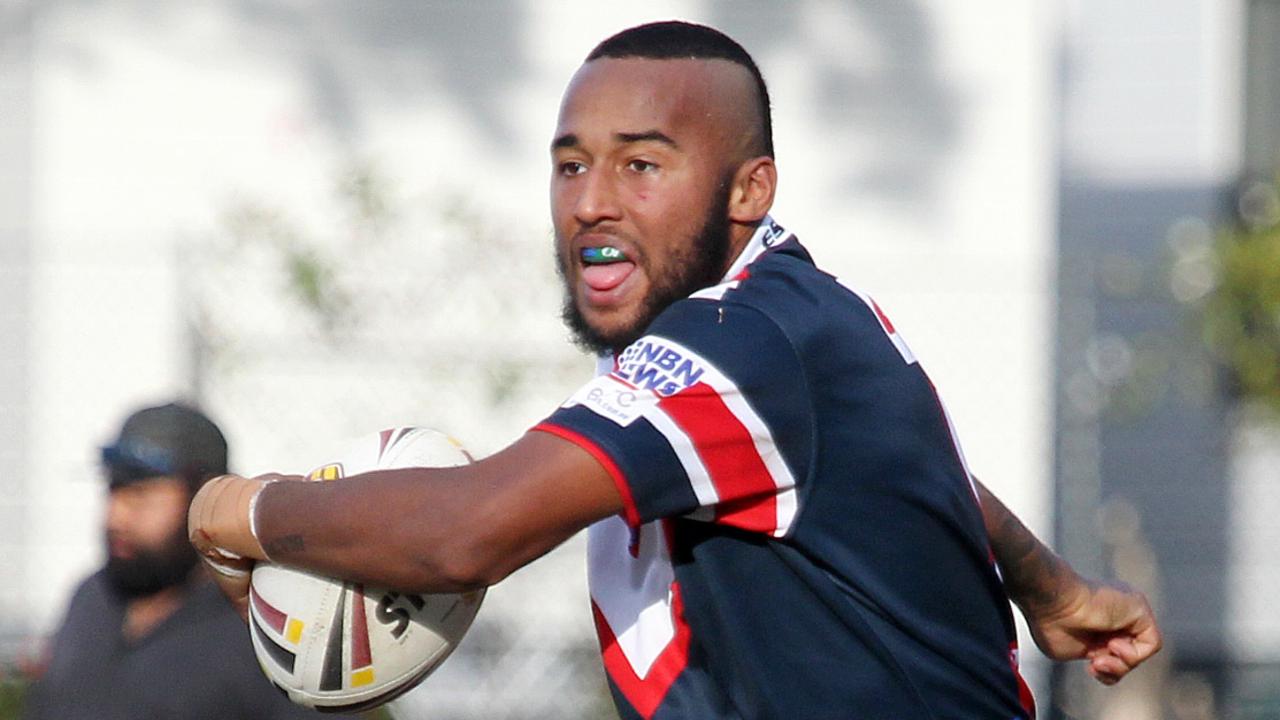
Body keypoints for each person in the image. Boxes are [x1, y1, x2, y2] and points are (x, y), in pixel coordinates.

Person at [189, 21, 1161, 719]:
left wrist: (240, 509)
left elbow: (463, 533)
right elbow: (918, 472)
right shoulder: (791, 332)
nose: (591, 204)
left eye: (640, 166)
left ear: (749, 189)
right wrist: (1049, 587)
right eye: (570, 166)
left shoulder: (739, 344)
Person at [24, 402, 342, 720]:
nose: (116, 516)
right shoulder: (91, 597)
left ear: (204, 499)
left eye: (140, 495)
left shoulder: (267, 627)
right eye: (113, 490)